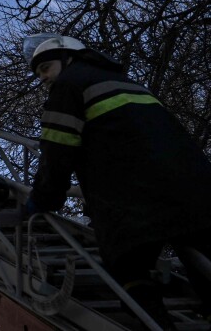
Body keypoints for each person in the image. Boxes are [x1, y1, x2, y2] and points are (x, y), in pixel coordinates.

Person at [23, 33, 211, 329]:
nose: (43, 78)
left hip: (130, 200)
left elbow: (57, 153)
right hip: (193, 189)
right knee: (201, 259)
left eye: (45, 68)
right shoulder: (128, 83)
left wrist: (42, 199)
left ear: (68, 59)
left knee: (129, 273)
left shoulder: (68, 86)